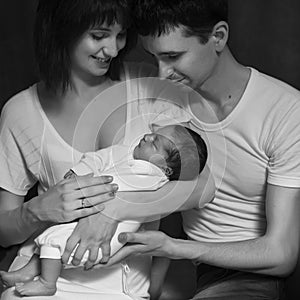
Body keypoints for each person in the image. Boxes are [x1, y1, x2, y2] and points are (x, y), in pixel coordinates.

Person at [0, 0, 215, 299]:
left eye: (121, 35)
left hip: (121, 281)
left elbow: (203, 187)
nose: (113, 50)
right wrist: (36, 210)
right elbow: (5, 228)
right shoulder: (20, 111)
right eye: (99, 36)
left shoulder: (149, 87)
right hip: (45, 270)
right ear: (61, 30)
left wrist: (114, 210)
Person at [104, 0, 300, 299]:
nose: (162, 72)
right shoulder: (163, 100)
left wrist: (174, 248)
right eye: (154, 57)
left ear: (218, 37)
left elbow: (281, 254)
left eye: (173, 56)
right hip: (171, 262)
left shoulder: (285, 112)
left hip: (245, 272)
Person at [0, 124, 207, 297]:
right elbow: (97, 159)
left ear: (166, 168)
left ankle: (47, 281)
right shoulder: (125, 154)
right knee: (49, 239)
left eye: (156, 142)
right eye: (153, 134)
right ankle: (33, 273)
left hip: (115, 264)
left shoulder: (156, 178)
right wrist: (76, 176)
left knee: (54, 243)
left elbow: (203, 187)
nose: (148, 135)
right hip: (65, 225)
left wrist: (115, 207)